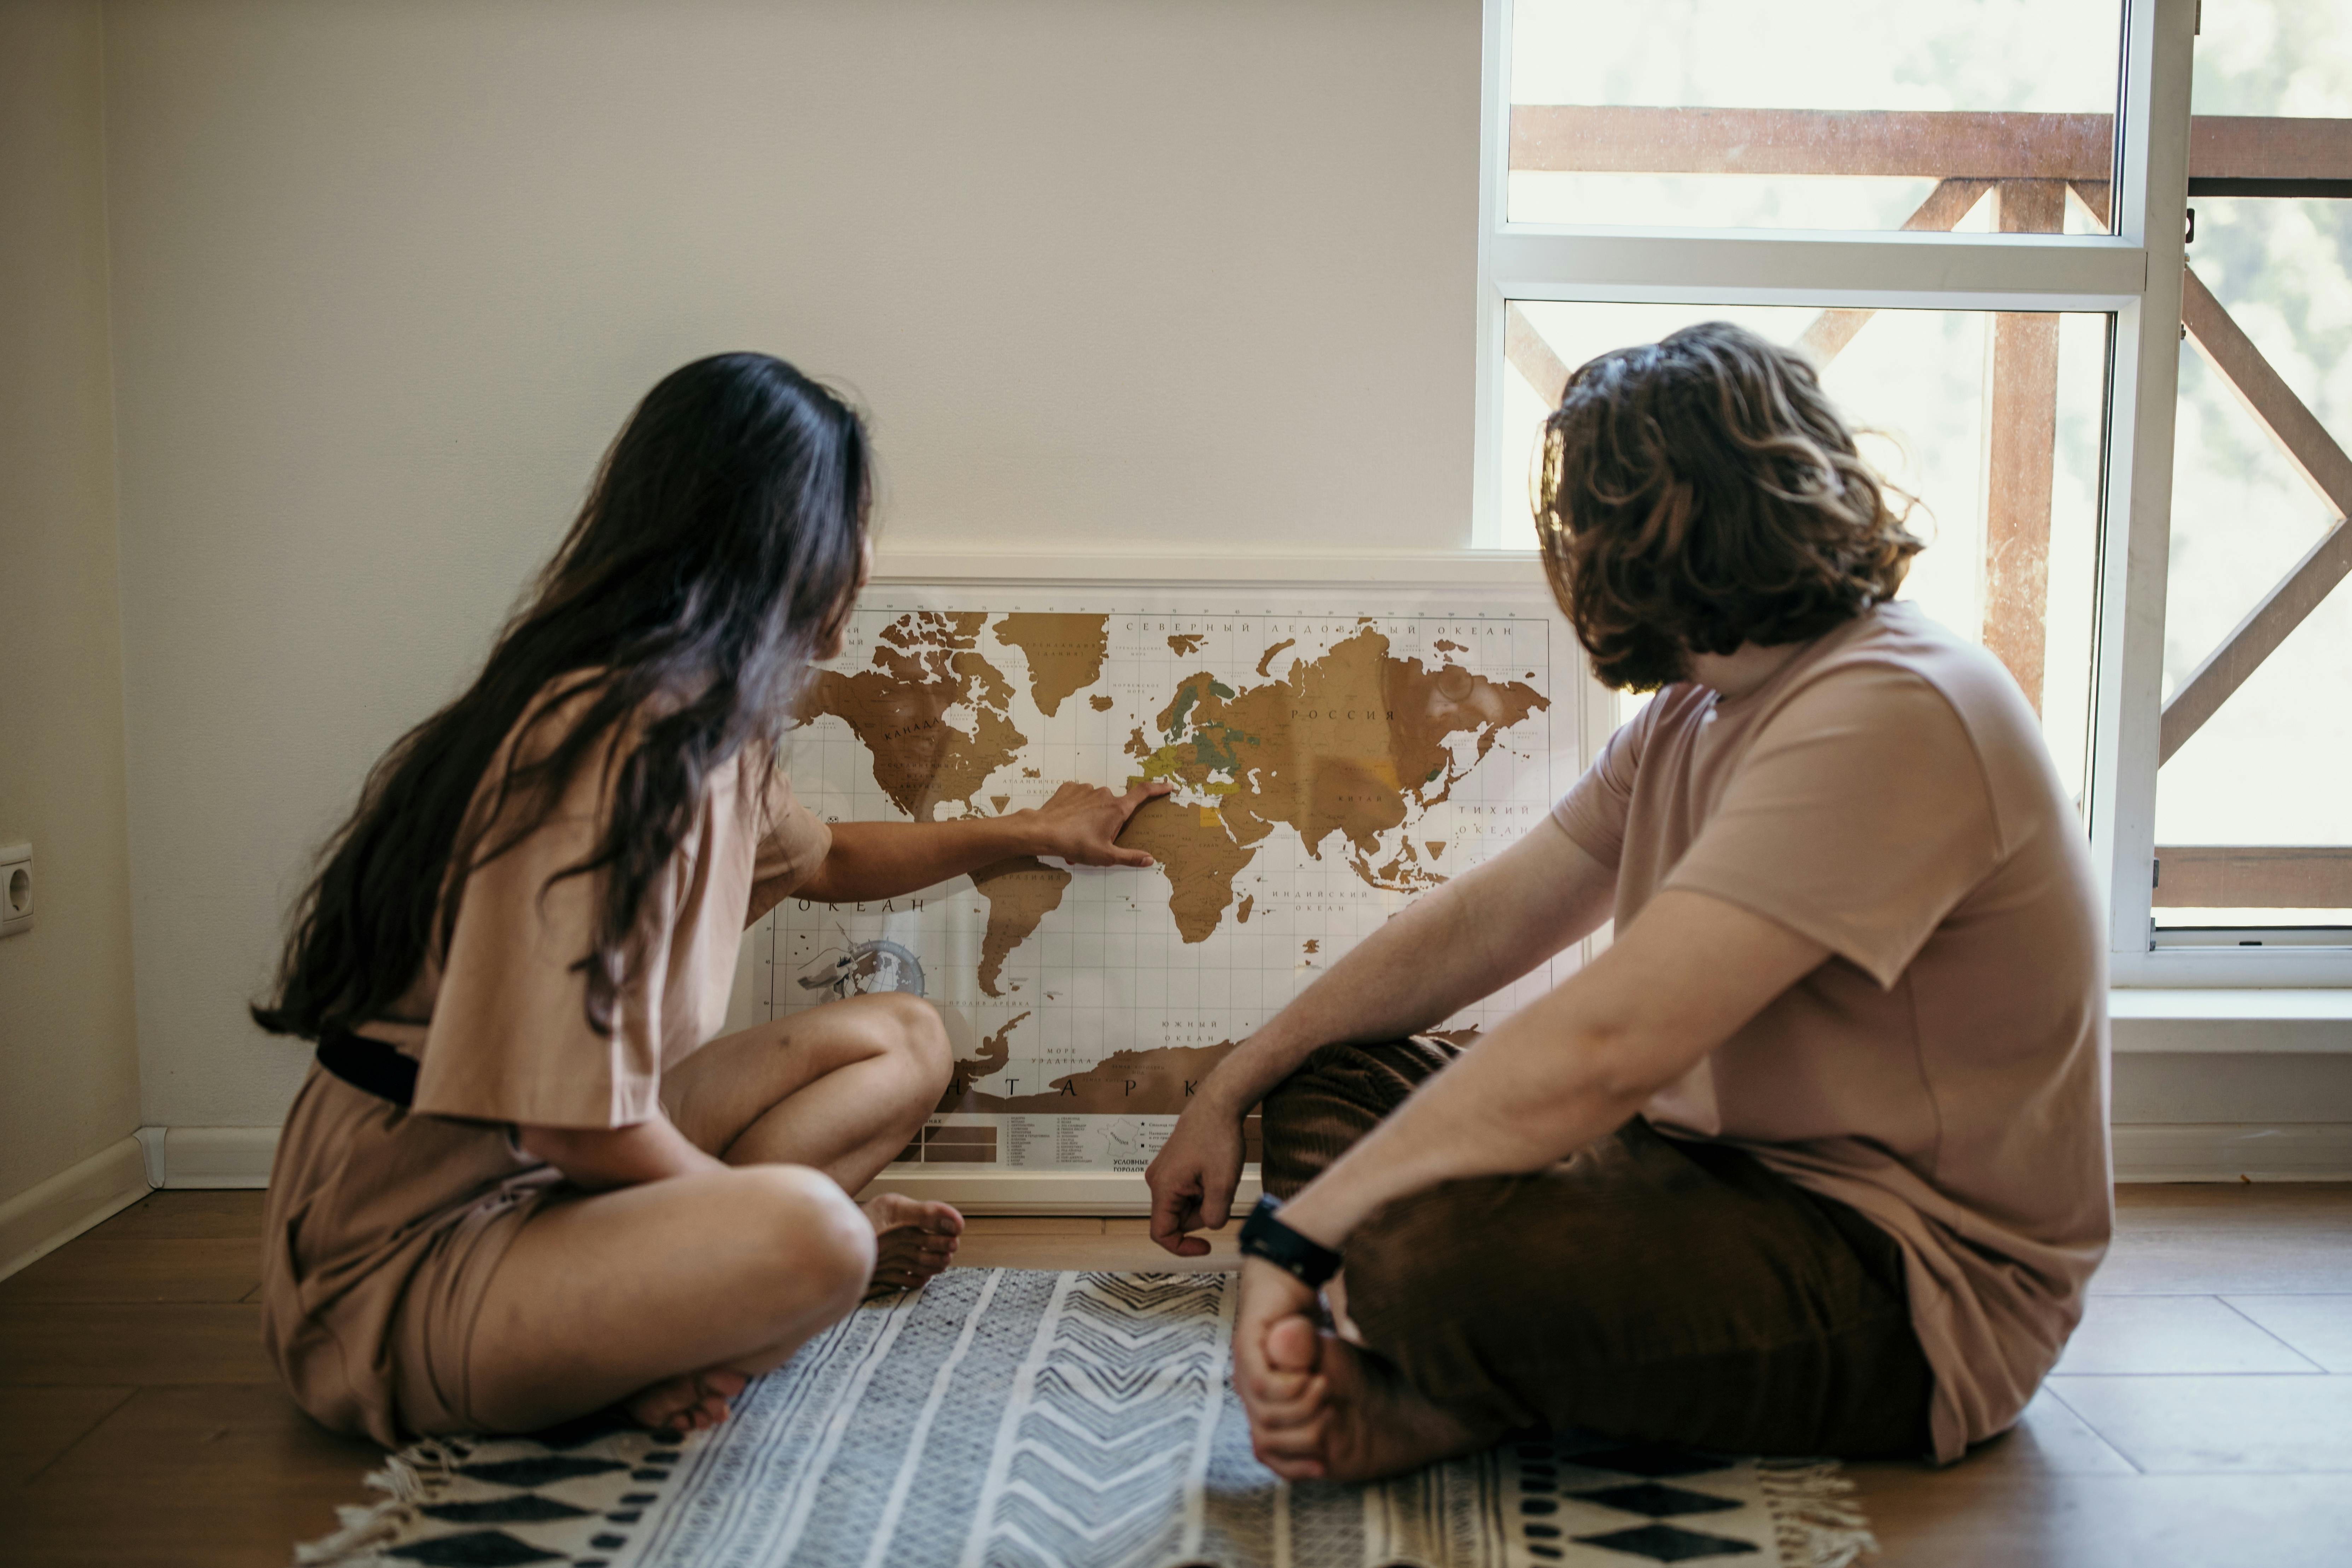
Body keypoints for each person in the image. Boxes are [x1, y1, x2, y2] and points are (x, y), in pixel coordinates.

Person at [1145, 322, 2111, 1480]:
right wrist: (1231, 1082)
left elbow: (1608, 1042)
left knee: (1424, 1253)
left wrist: (1293, 1237)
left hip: (1903, 1281)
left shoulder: (1895, 705)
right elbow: (1475, 926)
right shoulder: (1693, 709)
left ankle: (1449, 1389)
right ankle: (1470, 1371)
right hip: (1694, 1169)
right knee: (1334, 1078)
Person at [254, 353, 1167, 1448]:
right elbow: (567, 1118)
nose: (866, 558)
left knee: (908, 1034)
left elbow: (825, 860)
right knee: (821, 1244)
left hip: (549, 1170)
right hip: (416, 1245)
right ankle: (683, 1315)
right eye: (854, 523)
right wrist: (789, 1226)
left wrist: (1030, 832)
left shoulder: (704, 722)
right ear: (789, 540)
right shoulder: (609, 742)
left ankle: (672, 1307)